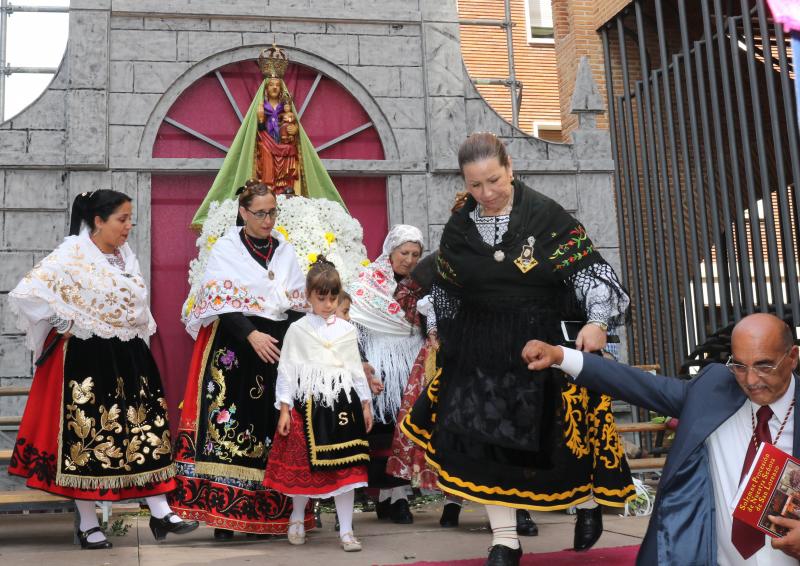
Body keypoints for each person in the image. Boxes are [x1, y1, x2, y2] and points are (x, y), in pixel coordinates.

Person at [401, 133, 634, 566]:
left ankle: (586, 504)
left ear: (510, 168)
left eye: (493, 180)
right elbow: (447, 289)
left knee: (560, 442)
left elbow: (590, 273)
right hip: (482, 352)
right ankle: (505, 540)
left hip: (542, 346)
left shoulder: (547, 216)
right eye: (475, 185)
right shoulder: (459, 227)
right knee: (481, 445)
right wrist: (440, 329)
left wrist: (598, 322)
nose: (486, 194)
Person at [524, 313, 800, 565]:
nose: (751, 379)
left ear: (793, 357)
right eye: (739, 365)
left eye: (765, 366)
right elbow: (639, 385)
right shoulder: (715, 389)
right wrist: (561, 355)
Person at [8, 190, 199, 549]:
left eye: (130, 219)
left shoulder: (125, 257)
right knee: (90, 437)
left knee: (144, 431)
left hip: (127, 355)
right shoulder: (72, 255)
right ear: (98, 221)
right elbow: (27, 292)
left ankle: (160, 509)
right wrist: (63, 318)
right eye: (121, 219)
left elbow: (135, 305)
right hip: (87, 357)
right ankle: (87, 523)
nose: (128, 226)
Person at [170, 180, 310, 538]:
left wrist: (289, 346)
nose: (268, 220)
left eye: (272, 212)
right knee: (230, 425)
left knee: (270, 427)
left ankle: (266, 517)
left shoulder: (285, 250)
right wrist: (251, 334)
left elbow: (295, 306)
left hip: (275, 348)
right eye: (260, 213)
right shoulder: (227, 249)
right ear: (243, 212)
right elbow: (219, 303)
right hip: (236, 346)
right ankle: (222, 517)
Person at [265, 258, 373, 552]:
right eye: (320, 298)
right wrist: (284, 408)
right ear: (308, 296)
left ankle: (347, 531)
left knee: (348, 469)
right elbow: (287, 369)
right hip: (309, 404)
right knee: (306, 466)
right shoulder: (298, 330)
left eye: (332, 298)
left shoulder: (347, 331)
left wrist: (365, 402)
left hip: (342, 405)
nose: (327, 304)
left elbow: (354, 367)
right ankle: (297, 517)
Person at [348, 224, 425, 524]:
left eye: (415, 254)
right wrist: (363, 363)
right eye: (403, 252)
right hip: (381, 367)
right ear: (390, 252)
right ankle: (386, 496)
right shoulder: (367, 283)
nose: (408, 259)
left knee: (406, 431)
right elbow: (354, 326)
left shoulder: (422, 284)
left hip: (412, 363)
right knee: (384, 433)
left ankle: (400, 497)